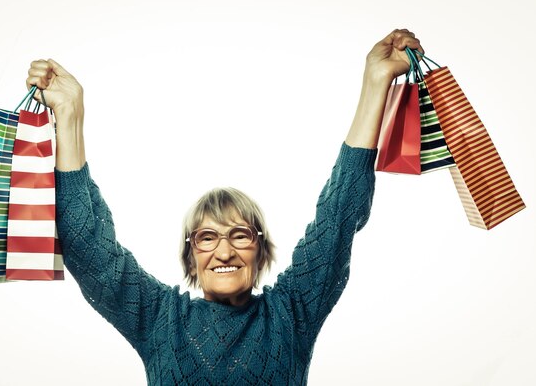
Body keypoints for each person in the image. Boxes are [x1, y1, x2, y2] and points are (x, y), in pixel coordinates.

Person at [26, 29, 423, 385]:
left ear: (260, 248)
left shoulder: (291, 312)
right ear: (190, 253)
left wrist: (375, 85)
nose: (224, 251)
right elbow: (85, 243)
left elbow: (338, 215)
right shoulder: (159, 318)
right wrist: (69, 116)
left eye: (240, 235)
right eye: (207, 237)